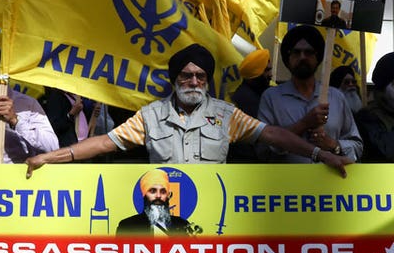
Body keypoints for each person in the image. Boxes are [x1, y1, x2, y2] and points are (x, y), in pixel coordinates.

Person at [25, 43, 351, 176]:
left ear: (207, 80)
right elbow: (102, 143)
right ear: (175, 79)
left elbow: (274, 135)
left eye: (200, 75)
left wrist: (320, 155)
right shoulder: (150, 116)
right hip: (165, 227)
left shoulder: (226, 114)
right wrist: (48, 158)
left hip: (214, 228)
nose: (193, 81)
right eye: (186, 75)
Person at [258, 26, 362, 163]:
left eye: (309, 52)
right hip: (288, 183)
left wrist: (334, 145)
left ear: (317, 57)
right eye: (296, 52)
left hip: (330, 182)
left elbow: (357, 146)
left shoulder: (336, 97)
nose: (302, 57)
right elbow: (262, 150)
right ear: (287, 58)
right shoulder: (271, 98)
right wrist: (303, 124)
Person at [116, 169, 201, 236]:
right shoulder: (127, 226)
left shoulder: (181, 224)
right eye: (153, 191)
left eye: (163, 192)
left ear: (168, 195)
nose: (158, 196)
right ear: (144, 194)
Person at [232, 49, 272, 120]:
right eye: (266, 71)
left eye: (270, 70)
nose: (270, 75)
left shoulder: (260, 90)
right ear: (254, 76)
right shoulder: (245, 98)